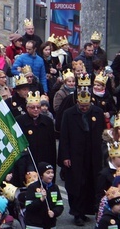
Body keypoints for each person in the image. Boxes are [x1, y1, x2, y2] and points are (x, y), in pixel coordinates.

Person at [59, 89, 104, 226]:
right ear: (77, 102)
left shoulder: (98, 112)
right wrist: (65, 156)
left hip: (93, 154)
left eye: (86, 106)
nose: (84, 108)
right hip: (75, 154)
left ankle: (86, 210)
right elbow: (64, 136)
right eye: (82, 106)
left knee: (91, 182)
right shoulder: (68, 114)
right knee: (77, 184)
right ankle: (77, 213)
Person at [22, 162, 63, 229]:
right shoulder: (32, 187)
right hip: (34, 225)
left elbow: (60, 205)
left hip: (50, 224)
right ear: (41, 175)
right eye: (48, 173)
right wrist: (41, 199)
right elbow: (28, 207)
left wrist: (54, 212)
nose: (51, 175)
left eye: (52, 172)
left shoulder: (55, 187)